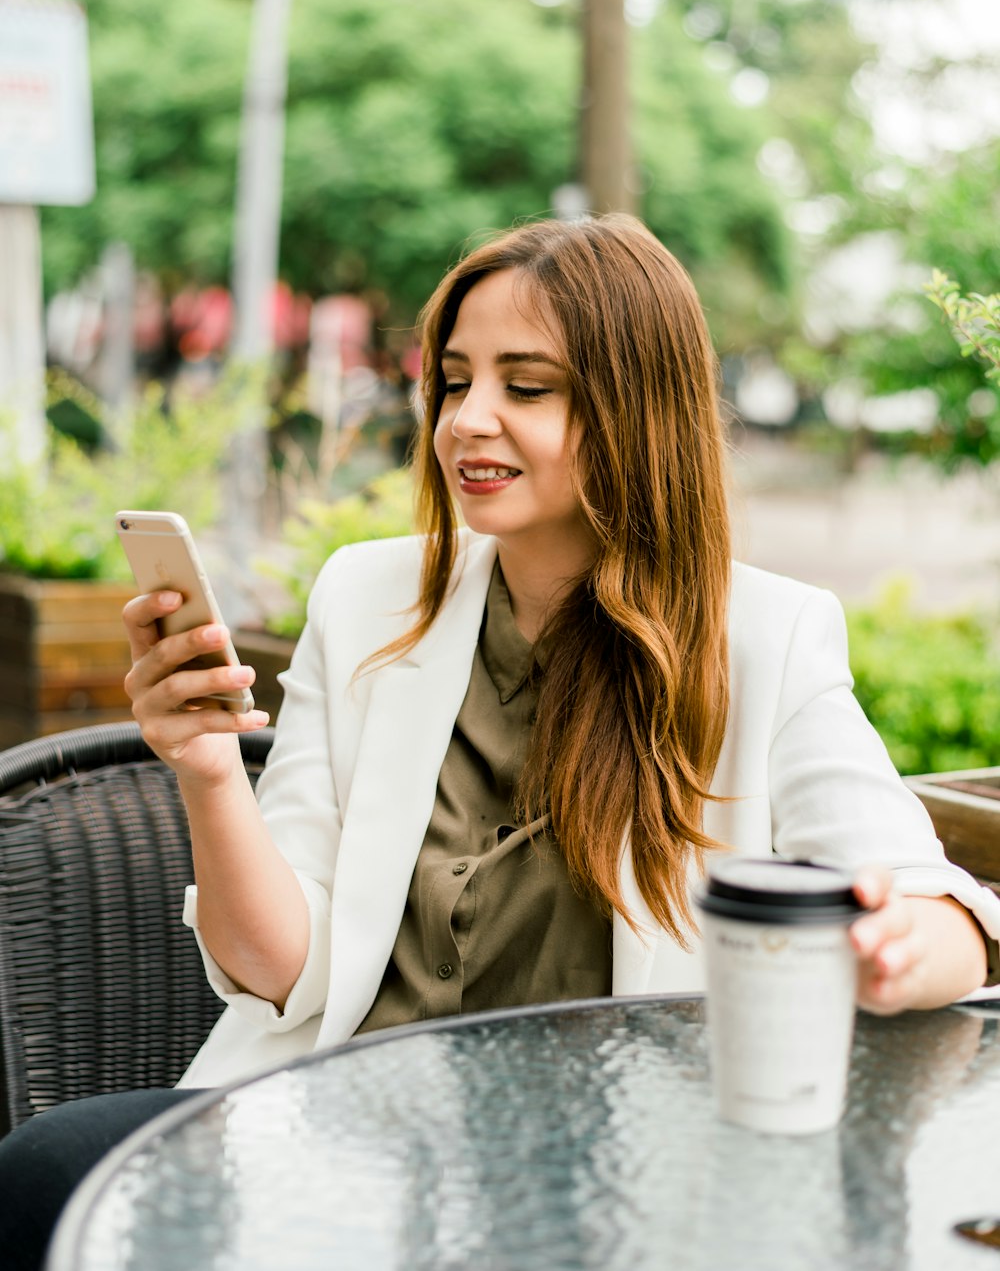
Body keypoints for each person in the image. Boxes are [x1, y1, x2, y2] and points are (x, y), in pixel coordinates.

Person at [2, 213, 998, 1267]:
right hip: (341, 1127)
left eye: (527, 387)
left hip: (609, 1176)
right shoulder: (367, 597)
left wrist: (894, 946)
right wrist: (206, 772)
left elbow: (946, 913)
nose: (468, 420)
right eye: (453, 379)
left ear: (634, 413)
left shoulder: (764, 638)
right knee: (48, 1166)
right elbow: (280, 968)